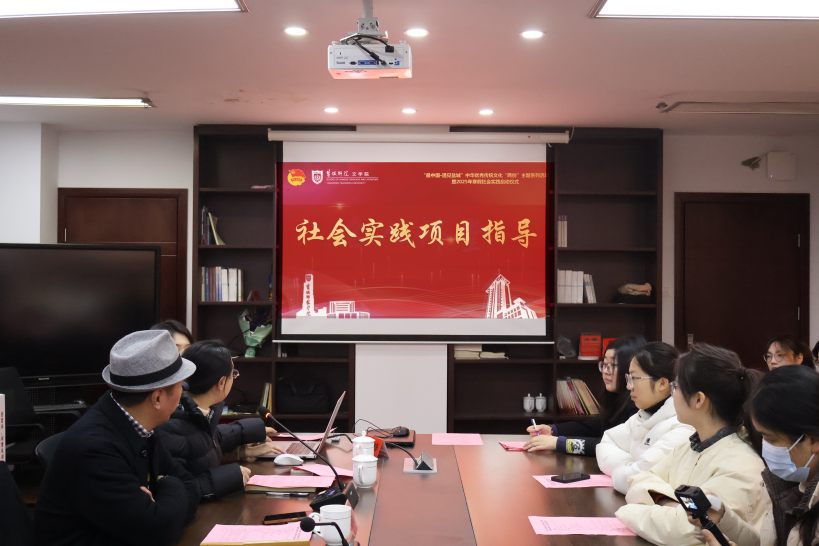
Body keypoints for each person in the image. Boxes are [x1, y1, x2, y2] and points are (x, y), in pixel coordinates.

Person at [33, 330, 199, 546]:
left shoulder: (139, 423)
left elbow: (190, 486)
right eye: (180, 387)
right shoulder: (95, 448)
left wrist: (164, 490)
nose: (183, 393)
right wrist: (170, 483)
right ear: (157, 398)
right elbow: (157, 530)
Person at [614, 344, 766, 546]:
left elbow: (687, 532)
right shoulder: (691, 446)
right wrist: (668, 502)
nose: (672, 395)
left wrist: (629, 512)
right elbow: (639, 480)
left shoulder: (740, 464)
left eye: (675, 387)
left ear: (698, 399)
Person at [694, 365, 819, 546]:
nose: (766, 448)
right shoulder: (786, 485)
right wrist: (723, 518)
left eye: (772, 439)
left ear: (813, 440)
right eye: (762, 438)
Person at [154, 340, 285, 501]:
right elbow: (177, 491)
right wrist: (227, 476)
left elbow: (206, 439)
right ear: (222, 382)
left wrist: (249, 435)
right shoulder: (171, 422)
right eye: (233, 374)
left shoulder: (197, 411)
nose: (234, 378)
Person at [596, 342, 695, 494]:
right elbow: (606, 441)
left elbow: (636, 479)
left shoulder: (682, 426)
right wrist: (630, 465)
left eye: (634, 378)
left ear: (662, 383)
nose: (629, 386)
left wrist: (631, 470)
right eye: (628, 378)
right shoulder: (643, 415)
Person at [524, 335, 647, 456]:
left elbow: (611, 446)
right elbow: (597, 426)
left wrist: (559, 443)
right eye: (605, 364)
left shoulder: (639, 405)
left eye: (613, 365)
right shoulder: (617, 397)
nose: (605, 371)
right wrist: (553, 430)